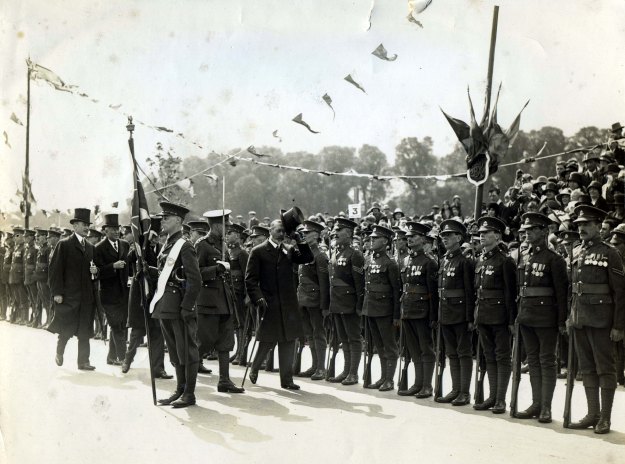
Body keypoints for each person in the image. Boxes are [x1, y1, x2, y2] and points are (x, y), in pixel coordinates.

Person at [566, 205, 625, 433]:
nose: (581, 228)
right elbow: (574, 288)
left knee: (605, 369)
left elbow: (620, 292)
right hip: (580, 318)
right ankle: (593, 413)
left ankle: (605, 418)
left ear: (598, 226)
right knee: (587, 369)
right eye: (579, 224)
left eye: (586, 224)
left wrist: (619, 326)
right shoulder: (577, 251)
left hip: (602, 320)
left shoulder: (611, 253)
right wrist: (570, 317)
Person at [245, 213, 314, 390]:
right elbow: (250, 280)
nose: (281, 234)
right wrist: (258, 298)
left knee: (289, 341)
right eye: (278, 230)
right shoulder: (258, 251)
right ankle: (255, 367)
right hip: (269, 303)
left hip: (289, 304)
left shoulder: (289, 250)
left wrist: (300, 240)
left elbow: (307, 258)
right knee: (267, 339)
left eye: (284, 231)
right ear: (270, 231)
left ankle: (287, 379)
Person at [513, 213, 569, 423]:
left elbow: (561, 293)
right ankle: (536, 404)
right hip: (526, 315)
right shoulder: (525, 257)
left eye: (533, 229)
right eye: (526, 229)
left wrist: (561, 321)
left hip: (546, 317)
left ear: (545, 232)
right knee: (533, 361)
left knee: (546, 361)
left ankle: (546, 407)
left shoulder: (554, 259)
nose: (527, 232)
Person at [150, 202, 201, 408]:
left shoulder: (184, 245)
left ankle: (189, 393)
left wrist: (187, 307)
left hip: (179, 305)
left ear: (179, 221)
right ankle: (180, 389)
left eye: (166, 218)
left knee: (186, 350)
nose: (162, 221)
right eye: (162, 218)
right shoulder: (168, 243)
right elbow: (166, 274)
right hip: (166, 304)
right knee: (174, 350)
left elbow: (194, 279)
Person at [195, 209, 244, 393]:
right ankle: (187, 370)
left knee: (225, 342)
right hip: (208, 301)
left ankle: (224, 380)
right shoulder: (202, 245)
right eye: (226, 226)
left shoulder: (223, 246)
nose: (228, 229)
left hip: (224, 299)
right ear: (216, 225)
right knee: (205, 342)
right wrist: (216, 269)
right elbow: (195, 273)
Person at [473, 216, 517, 414]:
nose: (481, 236)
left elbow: (510, 292)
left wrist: (510, 320)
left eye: (486, 233)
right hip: (483, 313)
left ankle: (500, 399)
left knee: (502, 357)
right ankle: (492, 396)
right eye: (480, 233)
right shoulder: (482, 259)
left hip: (499, 315)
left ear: (498, 236)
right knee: (488, 356)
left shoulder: (505, 261)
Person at [47, 208, 99, 370]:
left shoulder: (90, 248)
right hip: (69, 296)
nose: (86, 228)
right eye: (83, 224)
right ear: (75, 225)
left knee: (85, 330)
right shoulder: (64, 245)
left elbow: (94, 271)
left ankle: (83, 362)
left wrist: (95, 272)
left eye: (87, 225)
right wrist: (57, 293)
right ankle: (59, 351)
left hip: (86, 297)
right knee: (67, 329)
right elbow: (55, 271)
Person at [123, 215, 172, 379]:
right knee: (138, 332)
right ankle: (127, 359)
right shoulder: (139, 248)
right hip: (141, 296)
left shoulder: (162, 249)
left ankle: (158, 368)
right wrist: (140, 246)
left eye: (159, 236)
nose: (156, 239)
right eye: (153, 236)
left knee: (157, 332)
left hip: (157, 295)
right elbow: (129, 259)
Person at [435, 219, 475, 406]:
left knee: (463, 353)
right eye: (443, 236)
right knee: (451, 353)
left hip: (460, 313)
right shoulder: (444, 260)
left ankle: (464, 392)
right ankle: (455, 389)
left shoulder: (465, 261)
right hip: (446, 312)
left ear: (459, 237)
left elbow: (469, 291)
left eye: (449, 235)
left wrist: (469, 317)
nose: (445, 239)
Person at [398, 222, 438, 398]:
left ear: (422, 239)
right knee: (413, 349)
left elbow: (433, 292)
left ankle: (427, 385)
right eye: (408, 237)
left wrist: (433, 316)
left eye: (413, 237)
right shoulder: (406, 260)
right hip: (407, 309)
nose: (409, 239)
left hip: (423, 311)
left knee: (425, 348)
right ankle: (418, 383)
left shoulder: (429, 262)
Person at [326, 217, 365, 385]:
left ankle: (353, 373)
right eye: (335, 230)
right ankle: (346, 370)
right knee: (343, 338)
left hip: (350, 302)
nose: (335, 232)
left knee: (353, 338)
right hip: (337, 301)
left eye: (339, 230)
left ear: (348, 234)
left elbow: (359, 283)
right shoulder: (335, 252)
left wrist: (359, 305)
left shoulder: (355, 254)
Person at [363, 225, 402, 392]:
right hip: (370, 307)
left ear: (385, 241)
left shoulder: (390, 263)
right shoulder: (369, 259)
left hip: (385, 310)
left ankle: (389, 379)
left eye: (375, 238)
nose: (371, 240)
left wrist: (395, 315)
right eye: (371, 238)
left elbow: (396, 291)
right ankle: (383, 377)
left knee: (389, 345)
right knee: (378, 346)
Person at [94, 213, 130, 366]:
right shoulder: (99, 248)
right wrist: (112, 267)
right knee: (116, 326)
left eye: (118, 229)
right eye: (112, 229)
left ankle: (111, 357)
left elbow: (129, 266)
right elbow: (96, 272)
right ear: (105, 230)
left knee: (120, 325)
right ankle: (123, 358)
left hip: (123, 293)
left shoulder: (124, 245)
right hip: (108, 295)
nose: (116, 232)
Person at [296, 220, 330, 380]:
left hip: (315, 301)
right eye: (303, 233)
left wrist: (324, 305)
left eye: (307, 233)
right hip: (303, 299)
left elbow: (324, 283)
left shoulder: (320, 256)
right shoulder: (304, 253)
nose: (304, 235)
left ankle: (321, 368)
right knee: (309, 334)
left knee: (318, 333)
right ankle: (315, 365)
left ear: (316, 235)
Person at [226, 222, 250, 366]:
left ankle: (242, 354)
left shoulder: (242, 253)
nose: (227, 236)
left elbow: (248, 275)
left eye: (230, 233)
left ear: (237, 236)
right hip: (231, 291)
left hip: (240, 293)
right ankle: (238, 351)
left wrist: (248, 295)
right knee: (235, 323)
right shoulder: (228, 252)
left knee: (242, 324)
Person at [34, 228, 51, 329]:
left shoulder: (48, 249)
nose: (37, 238)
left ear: (45, 237)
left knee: (47, 301)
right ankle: (47, 321)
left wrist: (48, 278)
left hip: (44, 278)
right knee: (44, 301)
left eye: (39, 236)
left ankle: (49, 321)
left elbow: (49, 265)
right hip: (39, 278)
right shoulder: (41, 249)